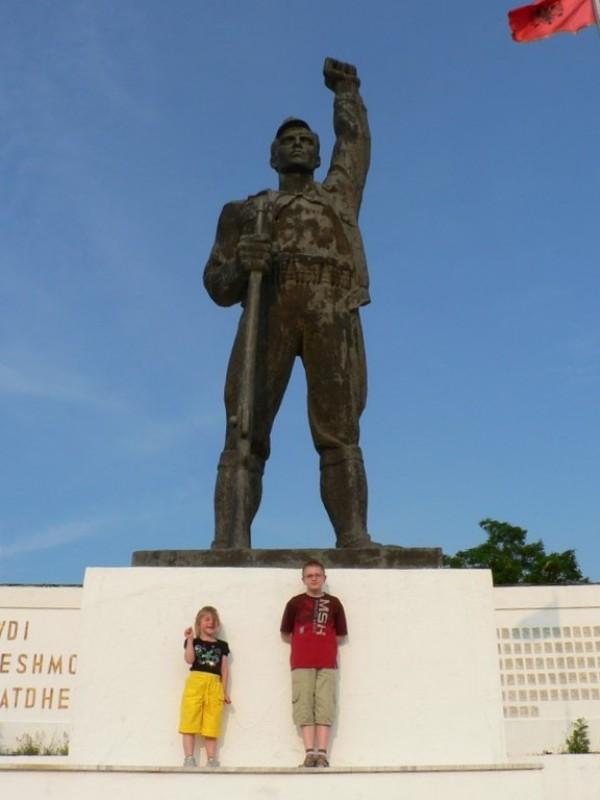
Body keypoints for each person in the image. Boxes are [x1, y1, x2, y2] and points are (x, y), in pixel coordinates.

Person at [204, 57, 373, 549]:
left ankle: (353, 535)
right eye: (288, 141)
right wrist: (242, 264)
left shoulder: (338, 199)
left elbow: (354, 144)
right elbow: (217, 286)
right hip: (269, 311)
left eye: (307, 140)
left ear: (318, 157)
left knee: (340, 430)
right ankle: (230, 540)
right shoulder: (243, 212)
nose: (298, 144)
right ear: (272, 157)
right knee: (245, 428)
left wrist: (346, 94)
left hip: (331, 312)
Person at [280, 559, 347, 767]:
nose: (314, 579)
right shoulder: (295, 603)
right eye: (309, 576)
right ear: (303, 579)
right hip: (301, 663)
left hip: (327, 663)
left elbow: (340, 635)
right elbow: (286, 633)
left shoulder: (334, 603)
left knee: (325, 705)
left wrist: (323, 645)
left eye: (318, 575)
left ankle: (322, 753)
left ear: (324, 578)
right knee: (303, 705)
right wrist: (305, 645)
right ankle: (310, 753)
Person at [178, 606, 231, 768]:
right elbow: (189, 659)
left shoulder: (222, 645)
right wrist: (190, 640)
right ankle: (189, 758)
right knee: (190, 719)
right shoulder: (194, 642)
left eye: (214, 620)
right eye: (207, 619)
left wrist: (224, 690)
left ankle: (211, 759)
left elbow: (224, 669)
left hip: (214, 684)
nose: (211, 622)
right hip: (196, 683)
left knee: (212, 722)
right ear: (199, 623)